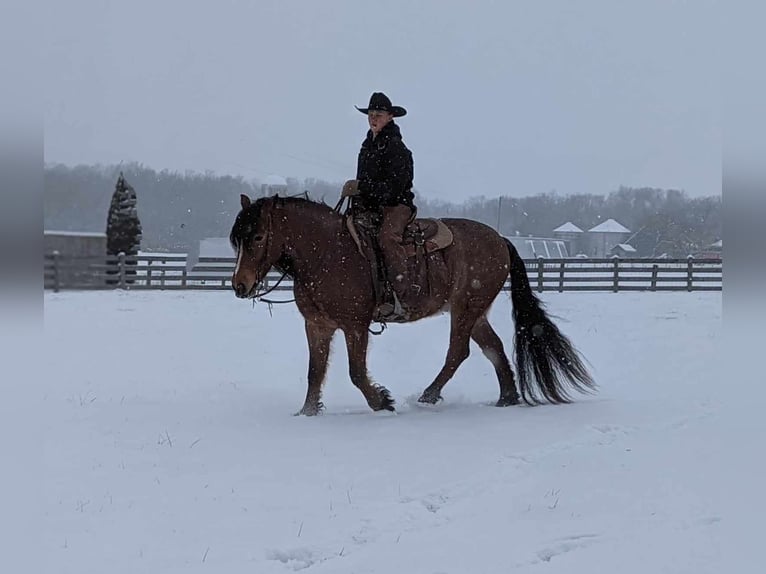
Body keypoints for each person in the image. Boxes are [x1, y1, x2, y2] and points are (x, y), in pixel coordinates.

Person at [341, 92, 415, 316]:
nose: (373, 119)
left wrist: (362, 187)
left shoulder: (397, 149)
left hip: (396, 206)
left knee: (386, 238)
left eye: (379, 115)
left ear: (390, 117)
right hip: (370, 206)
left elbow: (395, 188)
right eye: (371, 114)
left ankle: (402, 293)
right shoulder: (367, 147)